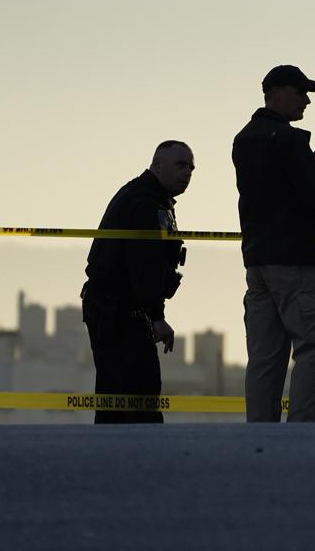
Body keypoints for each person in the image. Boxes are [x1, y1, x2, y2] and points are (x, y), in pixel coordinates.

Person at [232, 64, 315, 422]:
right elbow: (308, 196)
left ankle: (260, 434)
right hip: (297, 261)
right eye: (302, 92)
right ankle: (303, 435)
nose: (307, 101)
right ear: (277, 92)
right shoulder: (290, 139)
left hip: (258, 263)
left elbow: (278, 187)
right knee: (314, 345)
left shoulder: (245, 138)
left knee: (265, 356)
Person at [81, 141, 193, 424]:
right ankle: (140, 459)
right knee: (137, 398)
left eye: (191, 167)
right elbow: (144, 263)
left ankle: (119, 459)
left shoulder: (152, 199)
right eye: (180, 165)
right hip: (118, 311)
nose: (188, 173)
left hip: (118, 308)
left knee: (118, 398)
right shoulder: (144, 203)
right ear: (157, 166)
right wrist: (157, 316)